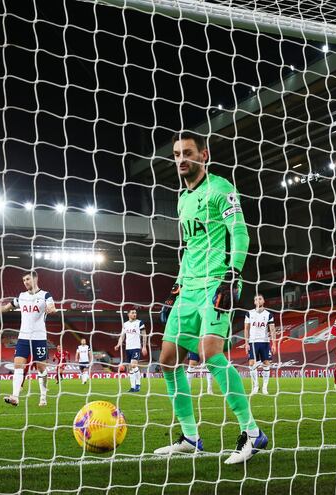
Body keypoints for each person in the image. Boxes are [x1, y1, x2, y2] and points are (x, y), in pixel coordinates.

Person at [155, 132, 267, 464]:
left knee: (210, 352)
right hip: (187, 287)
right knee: (167, 360)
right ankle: (190, 436)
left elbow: (241, 232)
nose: (181, 159)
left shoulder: (221, 189)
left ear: (203, 154)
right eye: (176, 154)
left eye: (187, 153)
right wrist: (175, 287)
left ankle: (251, 431)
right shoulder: (182, 199)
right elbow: (189, 248)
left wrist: (232, 273)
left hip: (217, 282)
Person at [0, 271, 56, 407]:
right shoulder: (21, 297)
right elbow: (6, 308)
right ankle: (15, 397)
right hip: (23, 337)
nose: (26, 282)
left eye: (28, 279)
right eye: (24, 280)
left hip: (39, 338)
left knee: (41, 369)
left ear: (35, 279)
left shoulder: (45, 295)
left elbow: (52, 307)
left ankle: (43, 396)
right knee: (18, 366)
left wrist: (51, 309)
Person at [242, 294, 276, 395]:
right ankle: (256, 386)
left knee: (266, 363)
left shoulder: (268, 314)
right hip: (252, 342)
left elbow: (272, 330)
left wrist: (274, 344)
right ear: (254, 302)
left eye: (260, 299)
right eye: (256, 299)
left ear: (263, 301)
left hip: (264, 342)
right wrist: (246, 343)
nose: (258, 301)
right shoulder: (249, 313)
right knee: (251, 364)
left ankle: (265, 387)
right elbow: (246, 329)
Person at [114, 309, 148, 393]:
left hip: (136, 347)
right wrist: (118, 344)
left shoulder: (139, 322)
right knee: (130, 369)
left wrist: (144, 347)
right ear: (128, 314)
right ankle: (132, 387)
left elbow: (144, 335)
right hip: (128, 348)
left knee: (133, 365)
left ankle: (138, 384)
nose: (134, 314)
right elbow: (122, 336)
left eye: (135, 313)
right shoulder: (125, 324)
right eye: (132, 313)